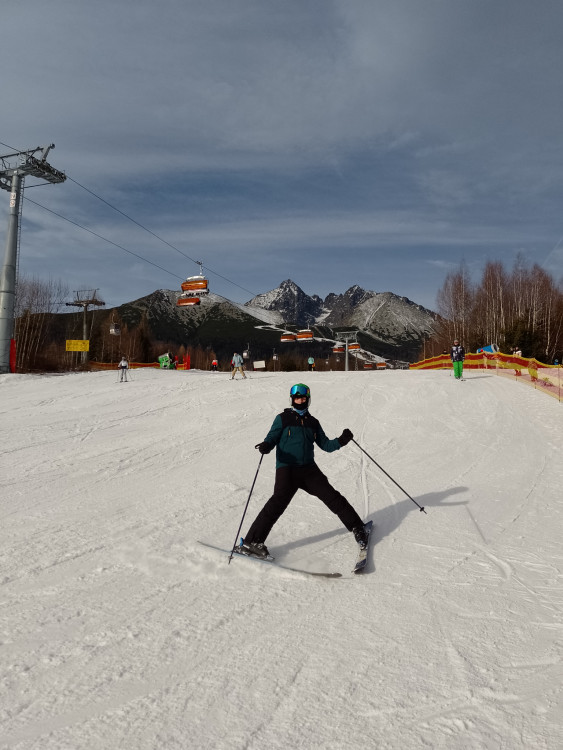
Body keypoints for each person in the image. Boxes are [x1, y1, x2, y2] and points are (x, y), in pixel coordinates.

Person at [239, 383, 368, 558]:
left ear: (308, 399)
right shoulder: (283, 418)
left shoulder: (313, 423)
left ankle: (357, 527)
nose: (300, 401)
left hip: (308, 470)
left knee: (332, 497)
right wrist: (267, 445)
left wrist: (342, 440)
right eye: (297, 398)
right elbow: (272, 437)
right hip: (287, 469)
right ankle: (251, 542)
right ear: (292, 400)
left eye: (303, 398)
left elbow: (326, 445)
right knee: (276, 504)